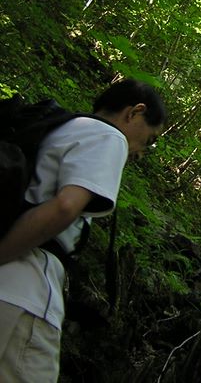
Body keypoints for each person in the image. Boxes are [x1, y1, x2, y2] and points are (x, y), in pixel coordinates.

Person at [0, 79, 167, 383]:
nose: (144, 151)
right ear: (135, 113)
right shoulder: (109, 137)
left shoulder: (65, 128)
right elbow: (65, 207)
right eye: (151, 139)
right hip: (26, 290)